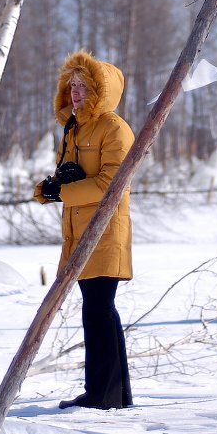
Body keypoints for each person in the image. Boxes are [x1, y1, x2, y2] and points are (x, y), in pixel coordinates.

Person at [34, 50, 134, 410]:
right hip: (78, 231)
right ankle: (115, 395)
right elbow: (75, 177)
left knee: (98, 309)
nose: (76, 92)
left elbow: (112, 183)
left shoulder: (114, 127)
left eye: (84, 86)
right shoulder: (74, 128)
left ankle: (101, 395)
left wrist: (65, 190)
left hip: (105, 232)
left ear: (100, 90)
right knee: (99, 310)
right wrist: (52, 188)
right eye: (71, 85)